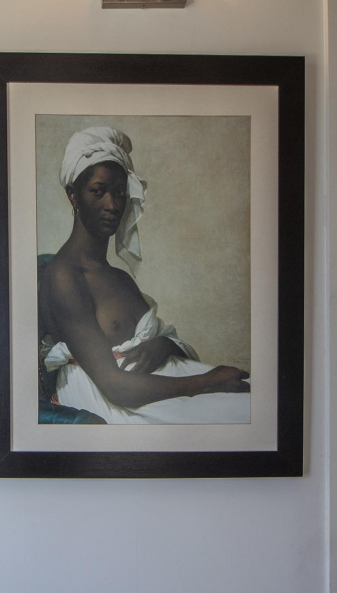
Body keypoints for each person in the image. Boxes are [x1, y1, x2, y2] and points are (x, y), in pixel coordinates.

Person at [38, 126, 251, 425]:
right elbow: (114, 386)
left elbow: (158, 340)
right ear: (73, 195)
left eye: (119, 193)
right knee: (244, 413)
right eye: (98, 191)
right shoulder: (64, 276)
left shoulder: (120, 278)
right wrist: (208, 382)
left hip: (157, 385)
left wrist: (163, 345)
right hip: (116, 401)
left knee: (257, 402)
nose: (112, 205)